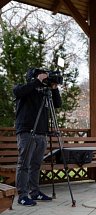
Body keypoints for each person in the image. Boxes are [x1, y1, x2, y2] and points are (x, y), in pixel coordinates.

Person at [14, 68, 62, 206]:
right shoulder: (24, 88)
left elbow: (58, 104)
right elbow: (18, 92)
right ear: (33, 77)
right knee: (24, 164)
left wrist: (54, 88)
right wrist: (37, 81)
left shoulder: (44, 93)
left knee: (36, 165)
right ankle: (22, 195)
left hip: (41, 133)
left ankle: (35, 192)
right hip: (27, 132)